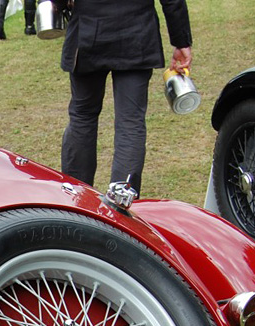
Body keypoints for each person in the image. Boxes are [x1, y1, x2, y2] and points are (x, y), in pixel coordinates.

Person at [57, 0, 192, 196]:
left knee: (84, 117)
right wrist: (181, 41)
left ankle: (75, 199)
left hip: (92, 28)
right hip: (135, 32)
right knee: (128, 121)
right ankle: (118, 204)